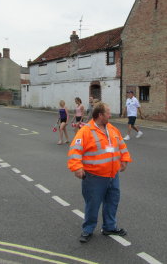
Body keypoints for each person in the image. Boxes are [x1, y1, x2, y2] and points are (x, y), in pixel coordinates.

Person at [68, 102, 132, 243]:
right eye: (108, 113)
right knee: (93, 204)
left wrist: (125, 159)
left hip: (112, 174)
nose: (110, 115)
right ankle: (88, 229)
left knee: (112, 201)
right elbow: (75, 150)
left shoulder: (112, 129)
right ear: (100, 115)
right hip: (94, 176)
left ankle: (109, 227)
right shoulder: (85, 131)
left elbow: (121, 145)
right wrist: (77, 167)